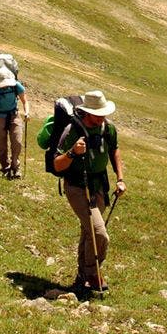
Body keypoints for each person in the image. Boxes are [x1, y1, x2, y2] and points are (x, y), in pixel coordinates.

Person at [54, 90, 126, 293]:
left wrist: (120, 178)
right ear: (87, 112)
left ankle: (82, 277)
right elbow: (57, 164)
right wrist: (72, 152)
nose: (101, 118)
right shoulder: (72, 130)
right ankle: (93, 274)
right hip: (77, 186)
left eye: (103, 113)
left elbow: (114, 150)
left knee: (89, 231)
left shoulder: (108, 129)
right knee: (99, 234)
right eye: (97, 115)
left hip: (99, 185)